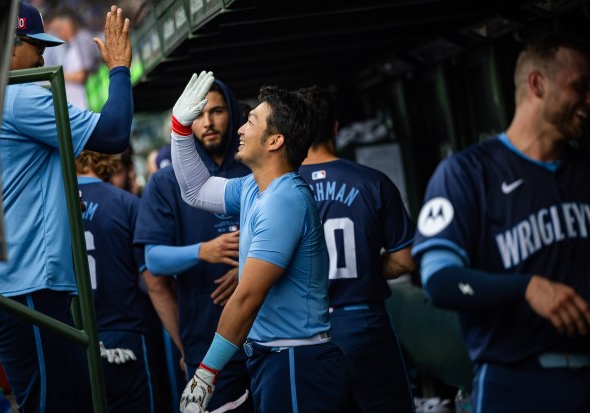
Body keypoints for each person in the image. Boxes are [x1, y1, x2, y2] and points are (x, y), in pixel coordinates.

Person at [411, 33, 590, 413]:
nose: (588, 100)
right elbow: (440, 282)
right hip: (516, 381)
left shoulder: (583, 172)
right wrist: (525, 288)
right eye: (580, 86)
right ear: (537, 84)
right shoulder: (467, 171)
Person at [0, 3, 133, 412]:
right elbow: (115, 133)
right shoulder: (18, 96)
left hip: (12, 283)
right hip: (26, 287)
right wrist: (119, 68)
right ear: (8, 47)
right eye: (35, 45)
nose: (43, 56)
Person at [171, 71, 350, 413]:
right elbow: (195, 190)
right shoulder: (256, 186)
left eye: (251, 121)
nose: (240, 128)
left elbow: (248, 296)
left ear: (274, 141)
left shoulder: (284, 199)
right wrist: (180, 130)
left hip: (298, 361)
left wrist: (205, 374)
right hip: (279, 358)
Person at [134, 79, 253, 412]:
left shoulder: (256, 169)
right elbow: (154, 261)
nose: (209, 122)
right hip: (207, 336)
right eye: (199, 114)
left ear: (232, 113)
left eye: (217, 111)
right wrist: (205, 250)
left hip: (268, 334)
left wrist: (248, 271)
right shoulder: (166, 182)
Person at [298, 85, 416, 412]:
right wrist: (365, 265)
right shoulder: (373, 181)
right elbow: (405, 261)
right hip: (365, 323)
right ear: (335, 128)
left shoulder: (281, 191)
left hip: (308, 330)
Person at [76, 150, 155, 412]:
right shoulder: (125, 202)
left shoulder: (53, 203)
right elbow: (152, 279)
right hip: (124, 331)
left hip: (72, 333)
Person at [43, 6, 101, 109]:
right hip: (81, 105)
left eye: (59, 29)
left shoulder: (83, 40)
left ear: (69, 24)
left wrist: (54, 75)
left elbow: (82, 75)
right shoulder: (71, 44)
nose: (58, 34)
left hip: (91, 103)